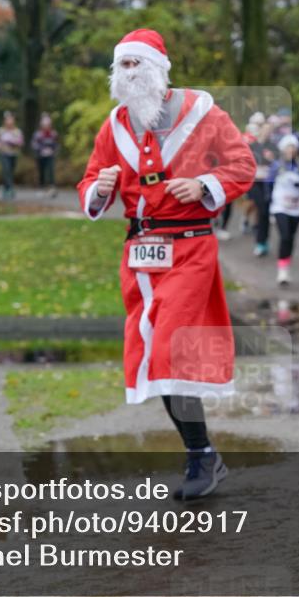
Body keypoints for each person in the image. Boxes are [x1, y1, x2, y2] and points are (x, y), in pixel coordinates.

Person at [76, 29, 255, 497]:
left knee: (169, 349)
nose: (130, 74)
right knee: (154, 358)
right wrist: (101, 187)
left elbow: (242, 165)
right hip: (139, 256)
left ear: (158, 67)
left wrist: (203, 185)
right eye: (123, 66)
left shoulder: (203, 113)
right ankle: (203, 454)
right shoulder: (114, 125)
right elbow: (92, 182)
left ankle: (200, 457)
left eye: (137, 64)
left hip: (190, 248)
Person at [267, 134, 299, 286]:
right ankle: (282, 272)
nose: (291, 150)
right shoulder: (277, 165)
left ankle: (286, 265)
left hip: (296, 208)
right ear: (283, 149)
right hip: (280, 206)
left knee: (291, 238)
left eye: (293, 147)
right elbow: (269, 183)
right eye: (288, 147)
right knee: (284, 236)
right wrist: (268, 204)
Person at [244, 112, 277, 256]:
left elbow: (280, 163)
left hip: (269, 183)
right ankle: (260, 241)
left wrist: (273, 160)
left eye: (270, 130)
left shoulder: (274, 146)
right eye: (265, 129)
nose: (267, 132)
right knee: (261, 209)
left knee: (265, 211)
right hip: (255, 182)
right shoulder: (252, 146)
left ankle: (263, 241)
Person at [0, 110, 23, 200]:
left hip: (13, 154)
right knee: (6, 171)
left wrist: (12, 142)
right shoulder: (0, 131)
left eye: (11, 119)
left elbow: (20, 142)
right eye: (7, 119)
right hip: (3, 153)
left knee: (11, 172)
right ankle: (10, 188)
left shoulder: (17, 131)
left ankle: (6, 189)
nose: (9, 122)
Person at [31, 112, 58, 195]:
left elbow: (57, 144)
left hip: (50, 155)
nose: (46, 126)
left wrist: (53, 151)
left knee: (51, 171)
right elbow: (34, 144)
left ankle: (52, 187)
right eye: (45, 125)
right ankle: (41, 187)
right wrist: (41, 150)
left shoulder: (53, 134)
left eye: (48, 124)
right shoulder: (38, 134)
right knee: (41, 171)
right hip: (40, 156)